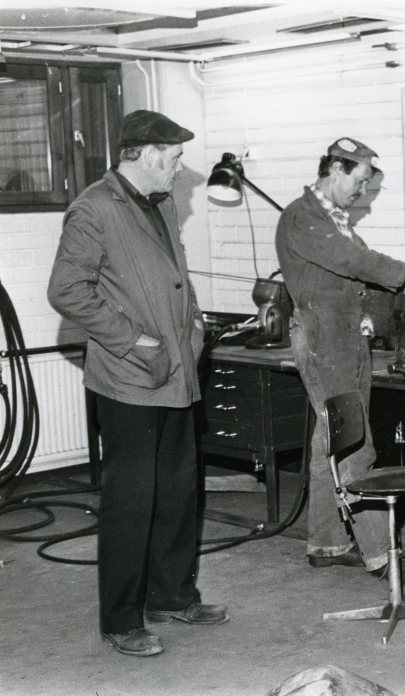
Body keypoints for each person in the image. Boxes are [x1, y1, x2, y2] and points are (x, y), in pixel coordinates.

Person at [48, 110, 227, 658]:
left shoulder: (160, 203)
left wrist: (194, 324)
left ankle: (172, 596)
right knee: (132, 501)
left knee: (178, 491)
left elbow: (174, 276)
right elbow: (67, 290)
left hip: (176, 372)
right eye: (173, 159)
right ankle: (121, 619)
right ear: (148, 155)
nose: (178, 169)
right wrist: (135, 341)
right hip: (129, 380)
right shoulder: (94, 208)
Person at [275, 137, 405, 584]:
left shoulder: (335, 222)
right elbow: (352, 260)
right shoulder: (303, 217)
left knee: (330, 439)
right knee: (354, 442)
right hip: (323, 337)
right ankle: (382, 555)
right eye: (360, 181)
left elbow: (355, 276)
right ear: (335, 169)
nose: (363, 192)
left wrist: (404, 292)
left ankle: (326, 542)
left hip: (345, 338)